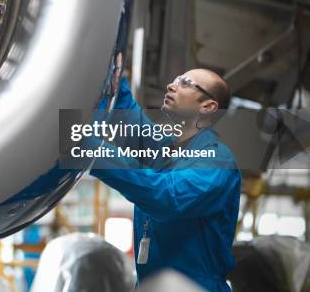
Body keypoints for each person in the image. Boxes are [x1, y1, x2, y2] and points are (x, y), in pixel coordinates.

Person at [90, 69, 241, 292]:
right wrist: (115, 70)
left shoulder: (218, 160)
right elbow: (126, 116)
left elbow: (167, 196)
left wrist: (92, 152)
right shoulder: (167, 149)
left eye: (186, 83)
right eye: (175, 79)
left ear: (208, 107)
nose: (171, 85)